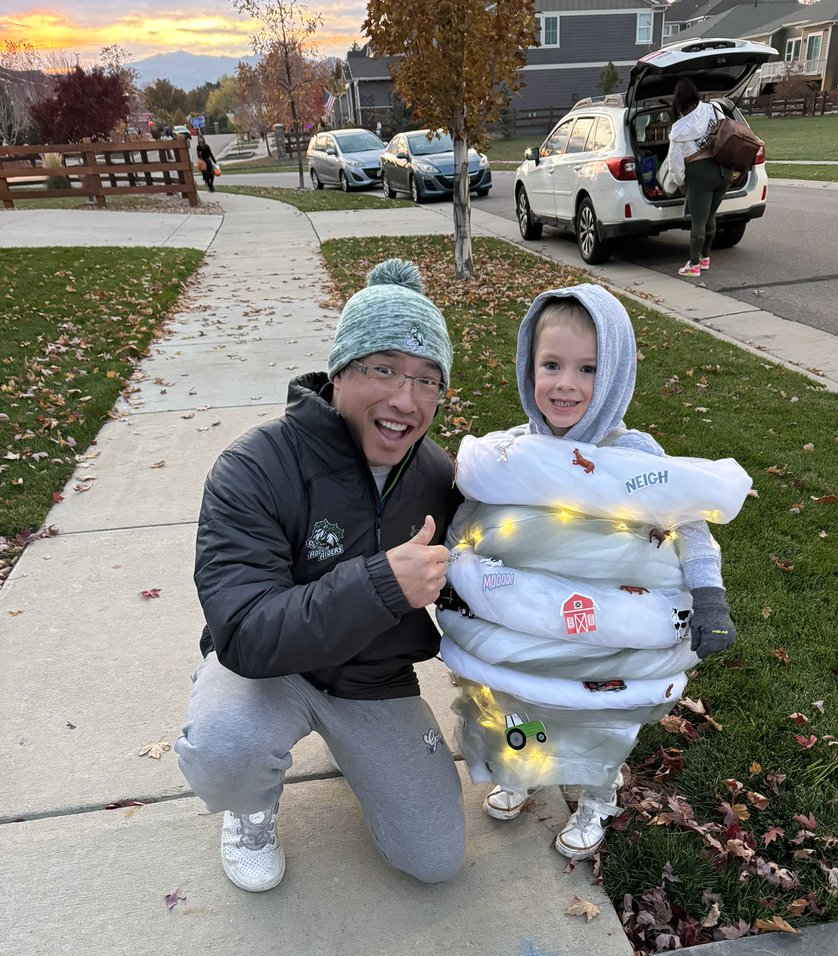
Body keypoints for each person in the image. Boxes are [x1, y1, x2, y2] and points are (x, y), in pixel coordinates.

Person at [175, 259, 465, 892]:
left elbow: (483, 587)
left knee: (436, 859)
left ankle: (349, 744)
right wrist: (382, 584)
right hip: (271, 670)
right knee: (226, 748)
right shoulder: (255, 467)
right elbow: (246, 633)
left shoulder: (438, 478)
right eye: (383, 369)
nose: (404, 400)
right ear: (339, 372)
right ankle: (248, 809)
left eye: (427, 380)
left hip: (373, 679)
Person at [438, 285, 750, 860]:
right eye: (550, 365)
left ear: (614, 375)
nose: (565, 384)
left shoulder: (633, 456)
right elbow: (472, 517)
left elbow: (692, 525)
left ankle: (595, 797)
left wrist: (709, 596)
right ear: (527, 366)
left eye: (587, 369)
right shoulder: (519, 455)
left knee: (596, 719)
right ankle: (524, 772)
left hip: (610, 636)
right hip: (532, 628)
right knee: (523, 703)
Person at [666, 77, 733, 279]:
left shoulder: (679, 129)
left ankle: (694, 264)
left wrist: (681, 183)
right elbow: (727, 129)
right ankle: (705, 257)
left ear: (678, 100)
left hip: (700, 175)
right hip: (724, 170)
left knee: (698, 220)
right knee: (710, 215)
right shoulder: (713, 109)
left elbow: (675, 163)